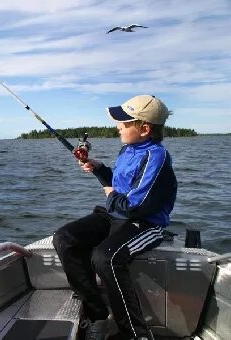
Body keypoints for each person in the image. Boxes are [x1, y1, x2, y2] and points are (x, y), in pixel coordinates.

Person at [52, 95, 177, 340]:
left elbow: (135, 205)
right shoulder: (128, 149)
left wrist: (110, 195)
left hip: (146, 223)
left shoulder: (156, 156)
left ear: (145, 129)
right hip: (114, 215)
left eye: (124, 122)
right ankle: (98, 314)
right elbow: (120, 186)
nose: (118, 126)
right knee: (65, 238)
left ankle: (134, 333)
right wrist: (99, 168)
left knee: (105, 258)